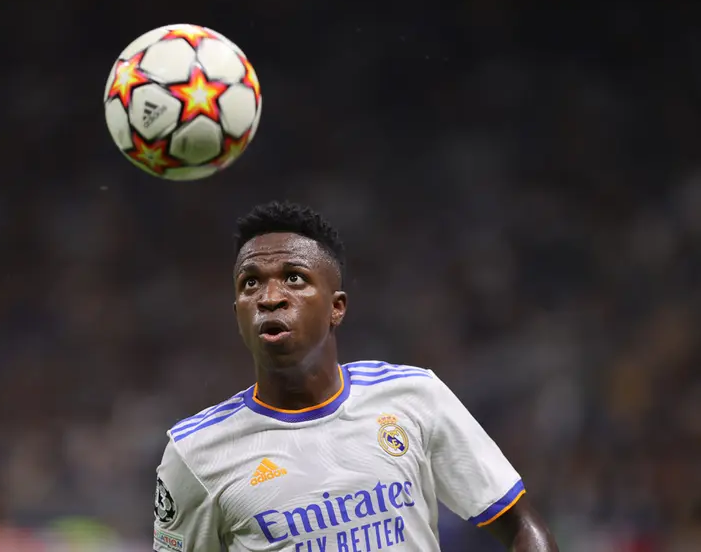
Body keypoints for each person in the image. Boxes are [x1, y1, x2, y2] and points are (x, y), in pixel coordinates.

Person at [153, 201, 558, 552]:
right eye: (250, 282)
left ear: (337, 308)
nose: (269, 296)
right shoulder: (195, 455)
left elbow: (522, 526)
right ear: (237, 312)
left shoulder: (414, 396)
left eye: (294, 277)